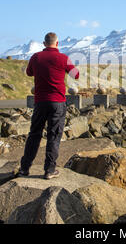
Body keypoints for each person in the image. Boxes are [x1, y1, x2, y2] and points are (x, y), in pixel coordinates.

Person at [16, 32, 79, 179]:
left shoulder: (36, 57)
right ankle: (49, 170)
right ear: (57, 43)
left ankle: (24, 169)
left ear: (44, 44)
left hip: (40, 102)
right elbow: (76, 75)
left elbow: (29, 72)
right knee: (54, 135)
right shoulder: (63, 58)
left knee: (34, 135)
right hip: (57, 102)